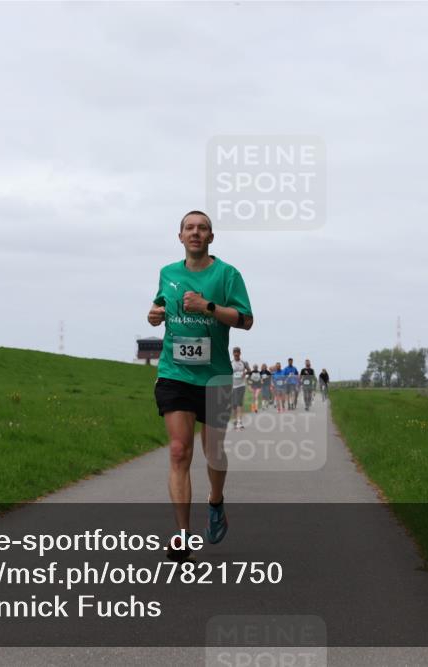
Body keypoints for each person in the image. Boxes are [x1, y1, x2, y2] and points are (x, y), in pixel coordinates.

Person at [147, 210, 253, 562]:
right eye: (189, 228)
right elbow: (159, 305)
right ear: (180, 236)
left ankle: (216, 502)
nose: (195, 232)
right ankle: (182, 536)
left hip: (214, 377)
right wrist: (153, 314)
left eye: (202, 228)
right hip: (175, 373)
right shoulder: (168, 273)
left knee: (214, 452)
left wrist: (207, 307)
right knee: (179, 450)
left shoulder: (227, 274)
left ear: (211, 237)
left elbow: (246, 320)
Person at [230, 347, 249, 430]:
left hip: (241, 385)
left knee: (239, 403)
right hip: (233, 386)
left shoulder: (244, 362)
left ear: (240, 353)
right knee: (234, 405)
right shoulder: (231, 363)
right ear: (233, 353)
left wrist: (245, 373)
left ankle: (239, 422)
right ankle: (235, 421)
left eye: (237, 352)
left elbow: (249, 370)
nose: (236, 354)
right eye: (235, 352)